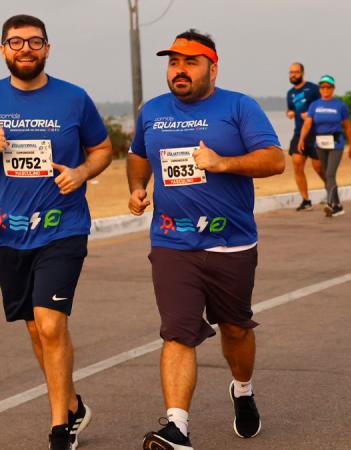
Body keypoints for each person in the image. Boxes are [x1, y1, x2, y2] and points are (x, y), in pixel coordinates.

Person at [127, 29, 285, 450]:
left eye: (190, 61)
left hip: (230, 242)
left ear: (212, 68)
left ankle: (243, 389)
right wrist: (137, 186)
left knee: (234, 328)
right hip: (171, 242)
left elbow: (274, 159)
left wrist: (223, 162)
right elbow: (139, 153)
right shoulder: (152, 110)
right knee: (177, 332)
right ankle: (177, 427)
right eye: (174, 61)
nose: (180, 69)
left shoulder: (239, 106)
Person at [0, 14, 112, 450]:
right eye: (15, 42)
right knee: (34, 330)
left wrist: (82, 171)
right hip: (9, 234)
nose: (25, 49)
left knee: (50, 325)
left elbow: (101, 148)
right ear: (4, 49)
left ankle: (60, 429)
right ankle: (73, 406)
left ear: (48, 48)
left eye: (34, 41)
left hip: (61, 227)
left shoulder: (73, 98)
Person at [298, 75, 351, 217]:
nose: (325, 90)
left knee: (330, 173)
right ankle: (338, 205)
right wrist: (301, 139)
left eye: (328, 87)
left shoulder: (340, 105)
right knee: (327, 174)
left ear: (333, 89)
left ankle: (330, 204)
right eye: (322, 87)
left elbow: (347, 127)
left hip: (336, 143)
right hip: (320, 143)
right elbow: (308, 123)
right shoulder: (315, 105)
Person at [286, 62, 325, 211]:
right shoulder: (290, 93)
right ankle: (305, 200)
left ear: (302, 73)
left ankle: (330, 191)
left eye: (295, 72)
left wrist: (312, 115)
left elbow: (323, 106)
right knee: (296, 163)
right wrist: (289, 113)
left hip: (315, 133)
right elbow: (290, 110)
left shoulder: (313, 89)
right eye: (290, 72)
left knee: (318, 167)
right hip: (298, 133)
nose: (293, 75)